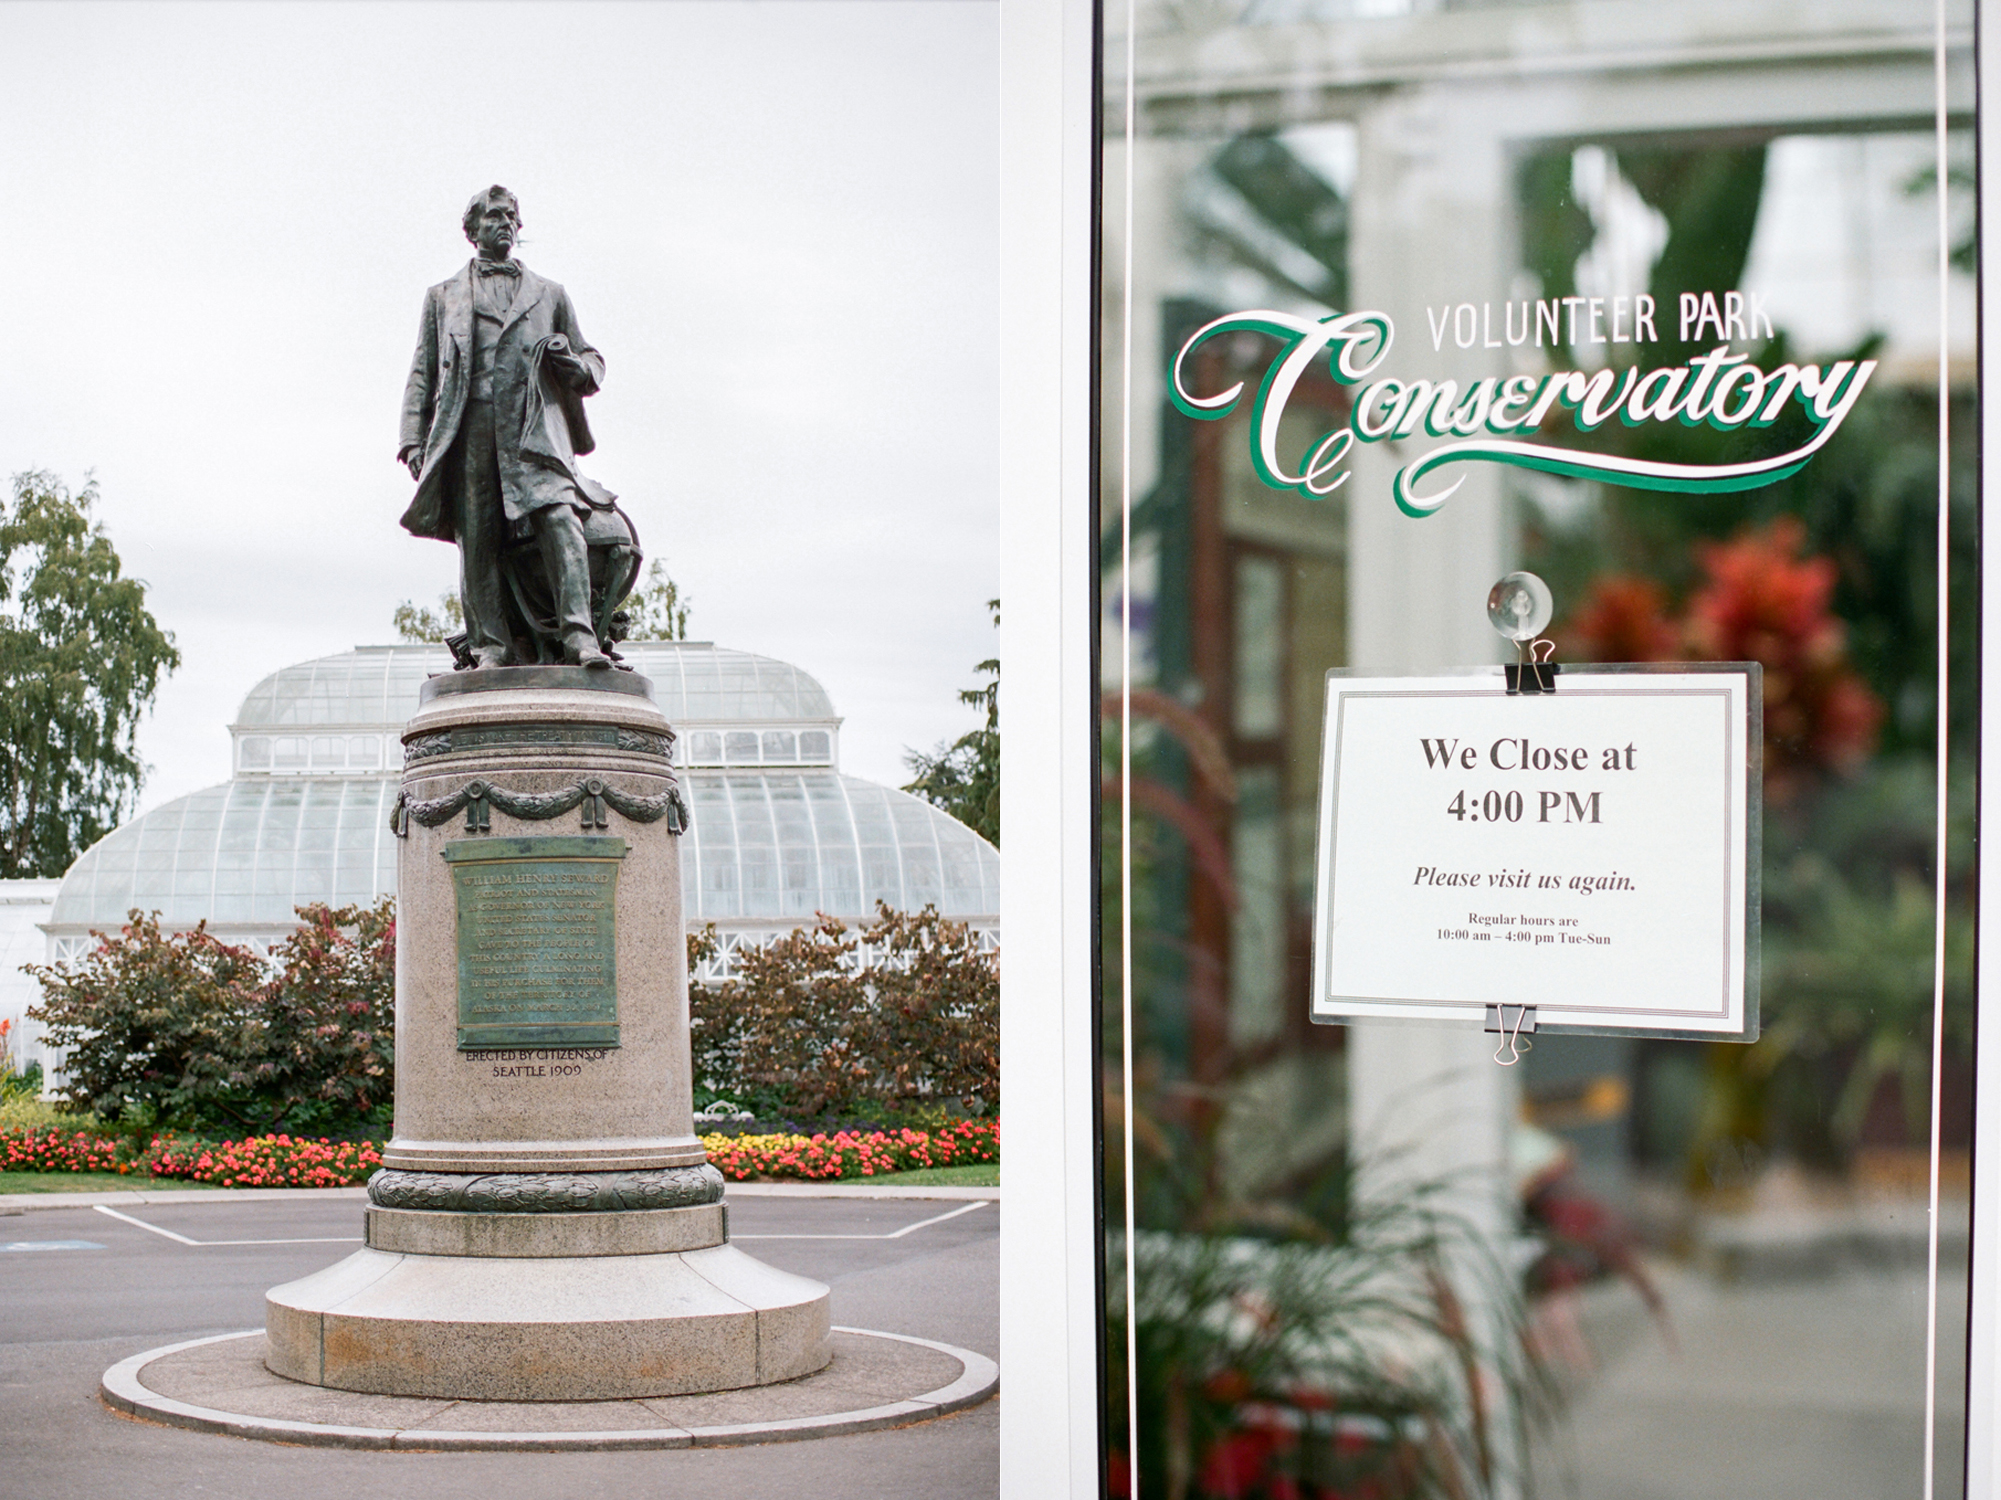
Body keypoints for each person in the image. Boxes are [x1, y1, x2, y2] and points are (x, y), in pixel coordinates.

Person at [397, 185, 615, 669]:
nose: (505, 224)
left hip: (534, 427)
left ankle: (581, 638)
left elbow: (591, 359)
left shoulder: (550, 294)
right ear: (472, 230)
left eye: (511, 217)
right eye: (494, 216)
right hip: (470, 426)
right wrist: (413, 438)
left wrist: (576, 368)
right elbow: (422, 371)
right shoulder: (443, 297)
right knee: (478, 538)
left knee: (560, 521)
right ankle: (490, 646)